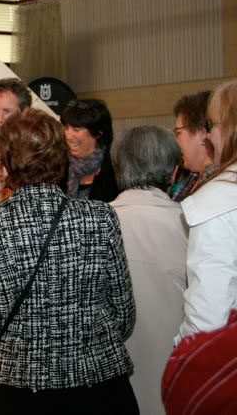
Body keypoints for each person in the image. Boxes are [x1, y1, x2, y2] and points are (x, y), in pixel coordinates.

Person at [0, 109, 137, 414]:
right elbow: (123, 314)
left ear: (6, 163)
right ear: (62, 158)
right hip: (98, 383)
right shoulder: (100, 218)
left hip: (18, 388)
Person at [110, 125, 188, 415]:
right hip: (175, 375)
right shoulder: (189, 225)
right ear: (173, 171)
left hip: (111, 380)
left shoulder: (95, 224)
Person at [176, 80, 237, 343]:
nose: (208, 136)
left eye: (211, 126)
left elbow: (208, 319)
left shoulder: (215, 203)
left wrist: (182, 361)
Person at [61, 99, 120, 202]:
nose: (68, 136)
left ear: (98, 133)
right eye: (66, 127)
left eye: (76, 129)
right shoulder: (60, 169)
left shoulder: (116, 173)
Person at [168, 91, 216, 201]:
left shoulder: (215, 185)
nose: (175, 141)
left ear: (201, 134)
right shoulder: (194, 177)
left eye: (178, 133)